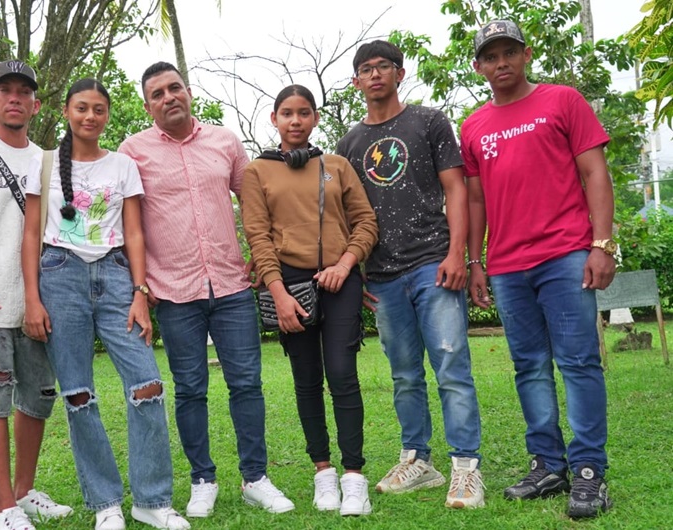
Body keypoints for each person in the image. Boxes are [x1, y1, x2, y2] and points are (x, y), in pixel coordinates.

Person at [118, 62, 294, 518]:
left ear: (189, 92)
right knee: (190, 389)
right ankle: (203, 479)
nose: (168, 97)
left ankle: (255, 478)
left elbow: (254, 202)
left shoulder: (225, 141)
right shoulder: (132, 151)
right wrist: (140, 284)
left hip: (231, 284)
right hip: (173, 290)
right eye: (157, 94)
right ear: (148, 106)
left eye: (174, 88)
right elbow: (127, 222)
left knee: (247, 384)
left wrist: (265, 252)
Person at [460, 20, 615, 519]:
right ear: (479, 67)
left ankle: (588, 471)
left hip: (566, 255)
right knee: (528, 366)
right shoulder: (473, 126)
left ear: (526, 55)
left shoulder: (563, 101)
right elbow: (477, 199)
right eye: (491, 56)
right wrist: (476, 261)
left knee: (578, 363)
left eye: (509, 52)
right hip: (508, 267)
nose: (501, 63)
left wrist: (602, 244)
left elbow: (595, 171)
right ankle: (548, 464)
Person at [21, 78, 190, 530]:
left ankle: (151, 500)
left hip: (116, 276)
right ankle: (105, 505)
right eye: (81, 108)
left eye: (99, 109)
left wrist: (140, 292)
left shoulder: (123, 165)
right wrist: (32, 298)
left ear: (108, 115)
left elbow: (134, 232)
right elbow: (31, 234)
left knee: (148, 385)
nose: (90, 116)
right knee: (78, 395)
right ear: (65, 111)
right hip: (59, 275)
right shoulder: (43, 164)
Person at [336, 40, 485, 509]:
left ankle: (466, 468)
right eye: (366, 69)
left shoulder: (429, 121)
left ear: (399, 73)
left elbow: (455, 189)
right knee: (404, 375)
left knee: (451, 366)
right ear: (356, 81)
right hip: (381, 275)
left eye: (384, 66)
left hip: (432, 264)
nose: (375, 75)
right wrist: (356, 273)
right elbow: (346, 215)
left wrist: (458, 254)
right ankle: (417, 460)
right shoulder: (349, 144)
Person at [241, 85, 379, 515]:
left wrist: (346, 264)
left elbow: (365, 222)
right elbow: (258, 236)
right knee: (306, 380)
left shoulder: (336, 165)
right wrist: (277, 292)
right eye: (287, 113)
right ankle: (323, 473)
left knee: (342, 374)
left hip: (340, 280)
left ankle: (354, 478)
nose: (296, 120)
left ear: (315, 118)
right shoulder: (257, 172)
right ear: (274, 119)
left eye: (304, 112)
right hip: (289, 285)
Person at [0, 60, 73, 530]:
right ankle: (3, 507)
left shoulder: (49, 160)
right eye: (5, 89)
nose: (15, 98)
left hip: (40, 299)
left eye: (24, 91)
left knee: (38, 395)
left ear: (37, 104)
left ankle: (25, 491)